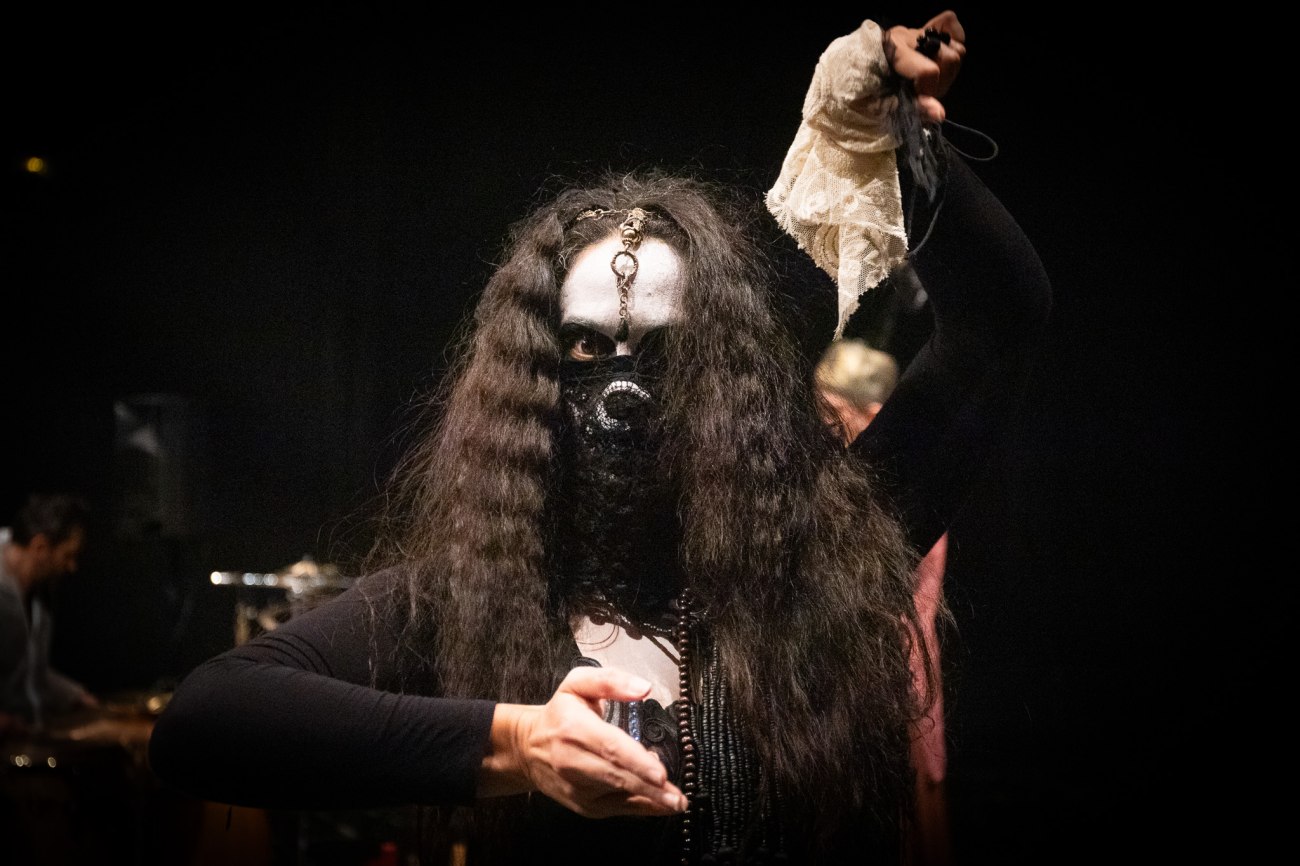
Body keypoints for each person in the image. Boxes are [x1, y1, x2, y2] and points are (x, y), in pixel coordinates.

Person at [149, 10, 1052, 864]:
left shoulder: (823, 552)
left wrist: (893, 131)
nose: (622, 391)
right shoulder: (481, 596)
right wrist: (516, 742)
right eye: (585, 348)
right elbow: (206, 720)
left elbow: (1000, 314)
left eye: (661, 351)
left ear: (718, 372)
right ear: (535, 374)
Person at [815, 337, 953, 866]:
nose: (819, 427)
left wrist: (920, 737)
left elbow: (915, 622)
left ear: (873, 416)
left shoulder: (906, 499)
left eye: (831, 412)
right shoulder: (829, 490)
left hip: (891, 688)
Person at [1, 492, 97, 736]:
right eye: (67, 555)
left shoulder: (40, 589)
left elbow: (28, 672)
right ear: (40, 546)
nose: (72, 567)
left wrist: (75, 696)